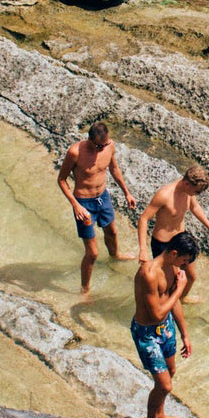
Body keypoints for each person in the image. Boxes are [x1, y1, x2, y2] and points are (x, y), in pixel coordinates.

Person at [57, 123, 139, 296]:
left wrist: (127, 193)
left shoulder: (109, 147)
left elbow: (114, 169)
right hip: (84, 203)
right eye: (98, 145)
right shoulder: (75, 152)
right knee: (92, 253)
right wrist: (75, 204)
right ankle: (84, 289)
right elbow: (62, 180)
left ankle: (115, 255)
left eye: (105, 144)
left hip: (102, 198)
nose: (102, 148)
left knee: (112, 231)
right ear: (89, 140)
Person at [131, 231, 198, 418]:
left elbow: (172, 303)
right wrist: (180, 289)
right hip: (147, 333)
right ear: (174, 253)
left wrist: (185, 334)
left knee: (171, 371)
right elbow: (156, 313)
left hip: (165, 328)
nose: (185, 266)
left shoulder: (173, 267)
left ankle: (160, 414)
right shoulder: (148, 274)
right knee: (165, 385)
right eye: (185, 261)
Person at [138, 165, 209, 304]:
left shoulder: (188, 192)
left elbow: (195, 207)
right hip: (164, 244)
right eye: (196, 192)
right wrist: (143, 250)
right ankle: (166, 306)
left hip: (181, 239)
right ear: (187, 183)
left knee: (190, 276)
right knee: (170, 282)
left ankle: (181, 299)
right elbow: (143, 219)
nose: (196, 195)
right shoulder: (164, 195)